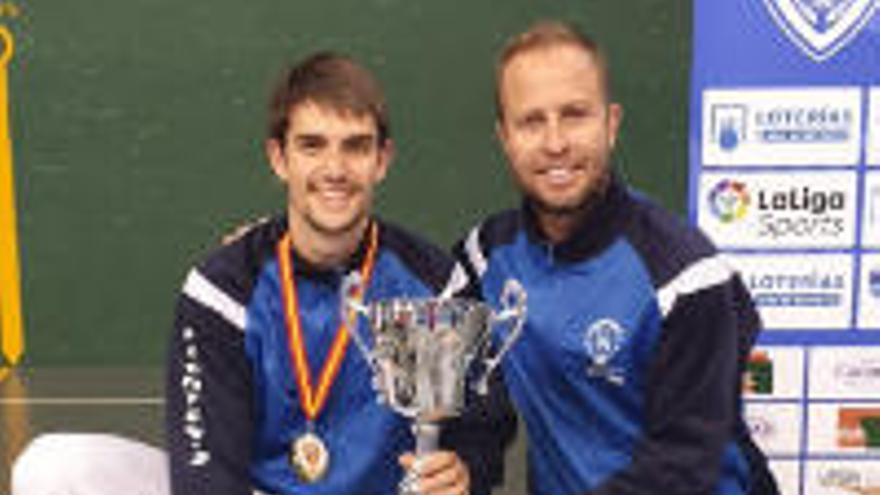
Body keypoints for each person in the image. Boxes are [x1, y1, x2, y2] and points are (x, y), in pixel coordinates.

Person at [12, 52, 514, 495]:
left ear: (382, 160)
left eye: (355, 146)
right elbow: (206, 470)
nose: (334, 169)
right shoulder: (223, 289)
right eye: (312, 146)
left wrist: (466, 469)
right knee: (56, 466)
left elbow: (482, 428)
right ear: (280, 157)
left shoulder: (433, 281)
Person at [451, 21, 779, 495]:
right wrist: (465, 467)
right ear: (505, 137)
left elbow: (680, 469)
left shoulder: (687, 277)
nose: (555, 142)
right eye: (531, 121)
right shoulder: (485, 259)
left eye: (575, 114)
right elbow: (478, 415)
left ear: (612, 123)